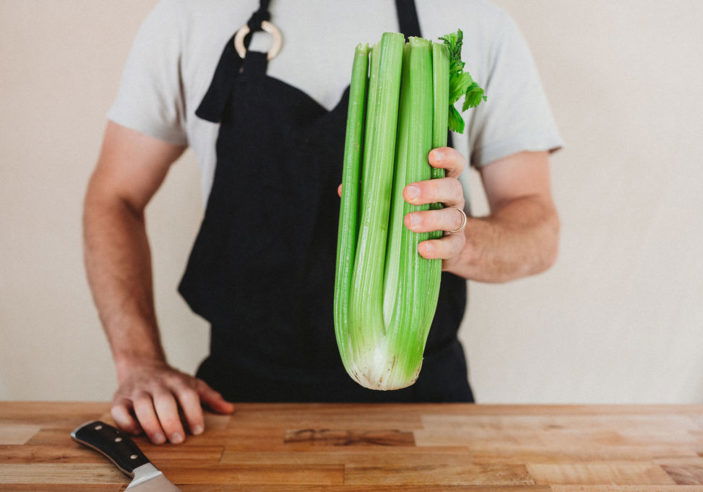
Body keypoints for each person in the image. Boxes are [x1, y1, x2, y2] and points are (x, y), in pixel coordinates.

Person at [84, 0, 563, 445]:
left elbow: (538, 229)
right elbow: (114, 197)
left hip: (425, 405)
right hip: (237, 405)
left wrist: (465, 244)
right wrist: (137, 361)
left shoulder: (474, 20)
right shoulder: (192, 14)